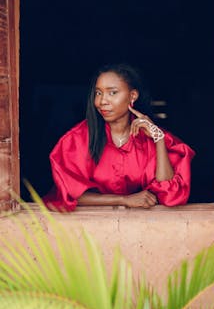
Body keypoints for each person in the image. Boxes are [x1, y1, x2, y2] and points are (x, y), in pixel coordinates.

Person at [43, 63, 195, 212]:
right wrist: (124, 200)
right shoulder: (76, 140)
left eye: (112, 92)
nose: (102, 101)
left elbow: (169, 192)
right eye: (98, 93)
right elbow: (70, 193)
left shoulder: (149, 137)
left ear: (132, 96)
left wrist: (159, 139)